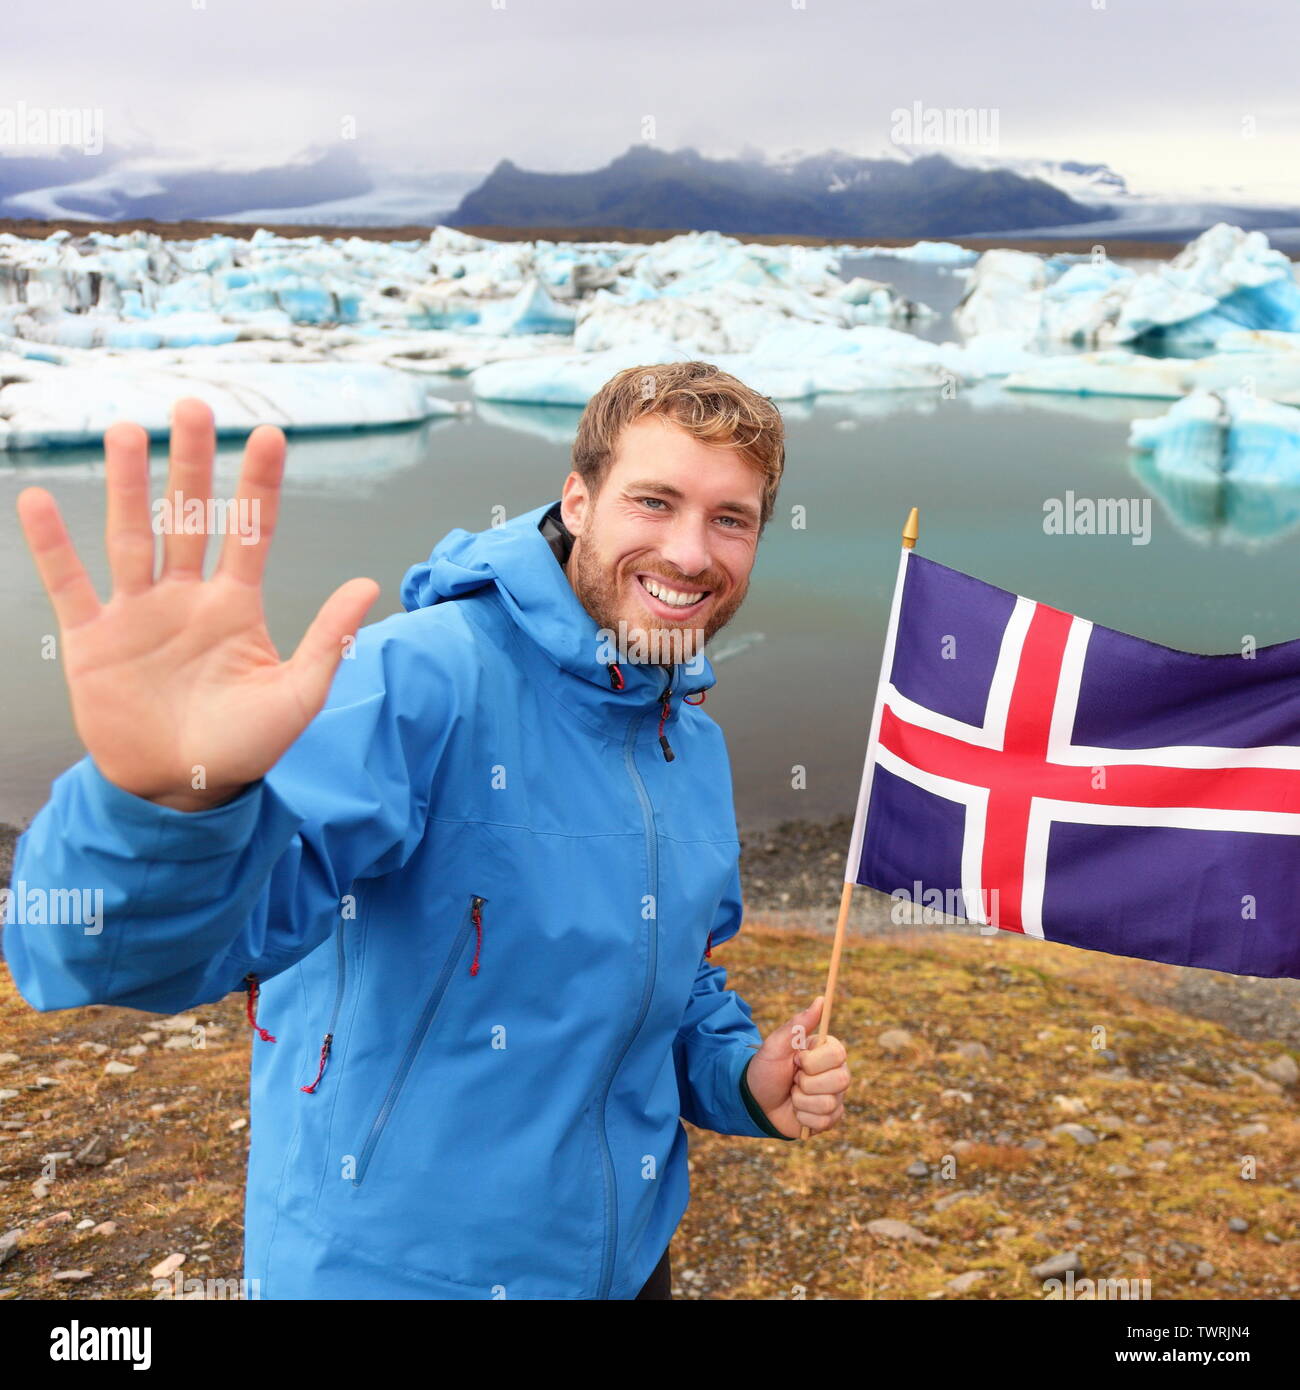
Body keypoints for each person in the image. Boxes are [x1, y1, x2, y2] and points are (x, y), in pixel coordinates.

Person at [5, 360, 851, 1300]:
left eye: (730, 519)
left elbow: (670, 975)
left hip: (621, 1264)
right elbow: (106, 956)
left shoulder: (686, 742)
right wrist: (162, 800)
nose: (692, 554)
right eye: (654, 502)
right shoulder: (418, 680)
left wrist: (742, 1076)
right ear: (578, 500)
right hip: (393, 1273)